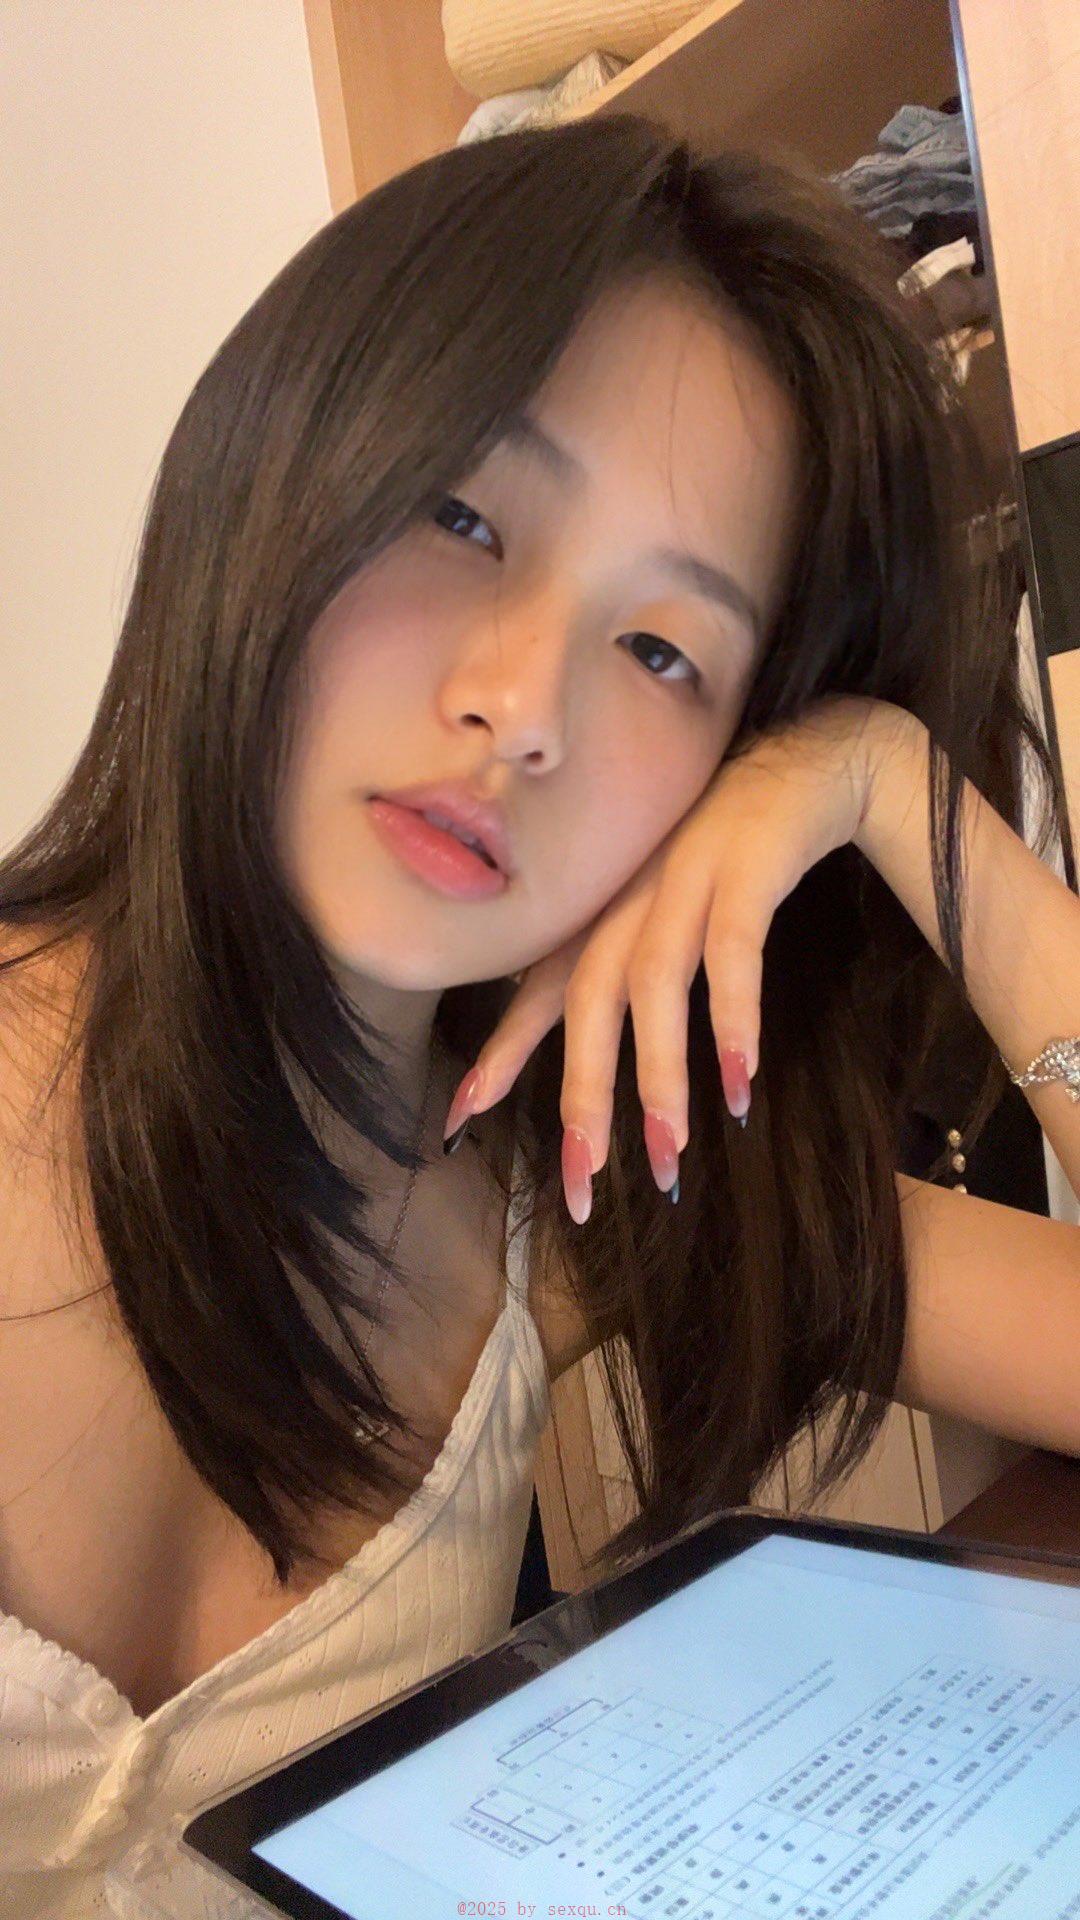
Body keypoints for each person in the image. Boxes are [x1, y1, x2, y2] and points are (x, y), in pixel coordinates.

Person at [0, 115, 1077, 1918]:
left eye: (666, 652)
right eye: (463, 515)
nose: (524, 706)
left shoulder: (567, 1203)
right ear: (274, 457)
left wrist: (889, 788)